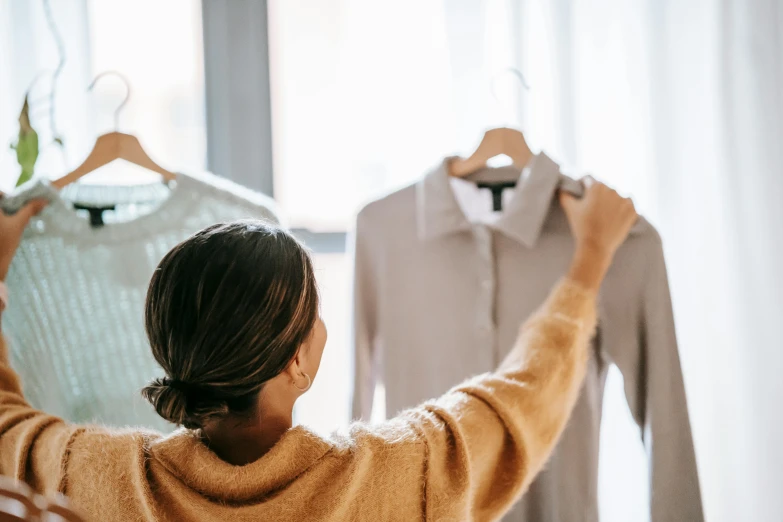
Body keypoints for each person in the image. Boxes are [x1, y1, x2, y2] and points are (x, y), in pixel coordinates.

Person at [0, 179, 636, 521]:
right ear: (297, 362)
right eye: (316, 315)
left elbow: (8, 428)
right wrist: (590, 260)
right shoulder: (398, 477)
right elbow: (526, 393)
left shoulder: (93, 477)